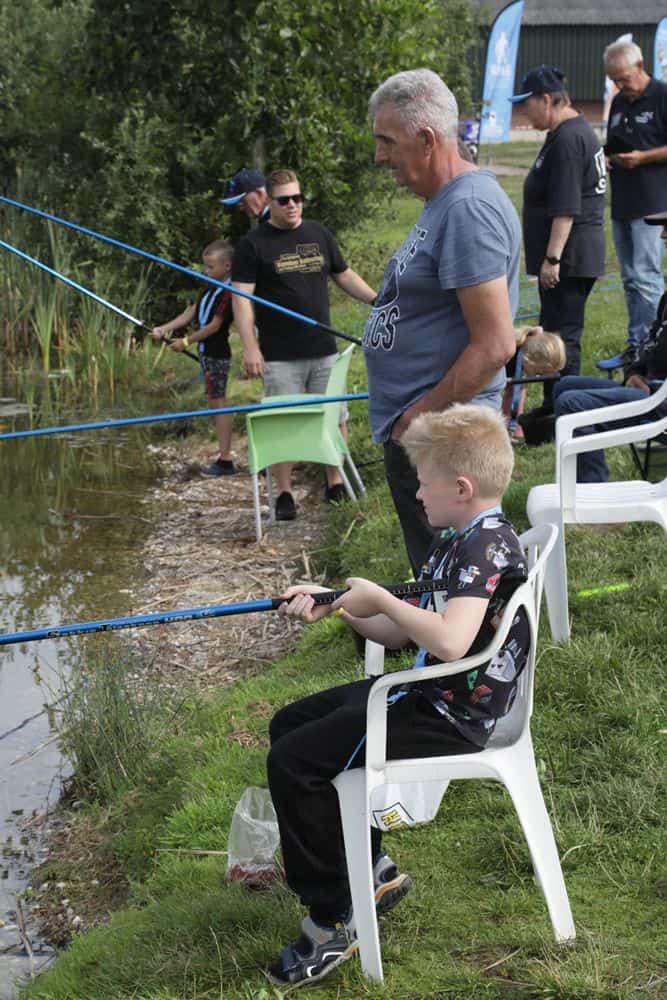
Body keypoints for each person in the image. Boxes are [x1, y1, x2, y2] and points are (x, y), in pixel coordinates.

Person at [266, 404, 527, 988]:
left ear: (460, 487)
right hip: (425, 693)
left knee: (293, 762)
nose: (415, 492)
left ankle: (332, 917)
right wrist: (339, 606)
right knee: (289, 725)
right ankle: (371, 868)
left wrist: (382, 598)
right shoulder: (459, 538)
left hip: (448, 713)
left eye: (422, 482)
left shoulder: (484, 547)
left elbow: (454, 642)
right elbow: (399, 629)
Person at [363, 68, 521, 577]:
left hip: (443, 436)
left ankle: (462, 654)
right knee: (437, 572)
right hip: (427, 430)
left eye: (387, 141)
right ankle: (441, 646)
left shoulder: (468, 208)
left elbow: (495, 343)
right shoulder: (443, 203)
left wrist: (419, 418)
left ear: (427, 139)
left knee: (460, 582)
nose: (379, 155)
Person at [232, 168, 376, 520]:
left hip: (323, 347)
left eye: (298, 198)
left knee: (336, 417)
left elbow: (343, 275)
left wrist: (377, 299)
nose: (293, 205)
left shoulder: (318, 233)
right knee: (283, 423)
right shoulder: (253, 244)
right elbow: (241, 299)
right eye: (285, 200)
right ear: (270, 201)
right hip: (280, 355)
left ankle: (335, 481)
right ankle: (284, 493)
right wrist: (250, 347)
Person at [509, 65, 605, 417]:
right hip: (573, 255)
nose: (522, 111)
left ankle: (561, 410)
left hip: (570, 257)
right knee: (558, 331)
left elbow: (566, 207)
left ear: (546, 99)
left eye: (526, 104)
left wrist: (552, 259)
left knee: (562, 338)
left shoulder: (567, 139)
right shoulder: (566, 133)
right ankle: (558, 404)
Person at [553, 211, 667, 483]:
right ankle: (581, 482)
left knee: (573, 404)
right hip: (652, 388)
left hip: (661, 399)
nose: (662, 235)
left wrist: (652, 382)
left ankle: (592, 489)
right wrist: (634, 373)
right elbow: (650, 342)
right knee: (564, 386)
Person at [151, 240, 250, 477]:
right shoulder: (209, 288)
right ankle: (224, 456)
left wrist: (185, 342)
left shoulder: (230, 292)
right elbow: (191, 312)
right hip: (206, 353)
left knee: (218, 404)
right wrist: (164, 328)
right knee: (214, 402)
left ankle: (226, 460)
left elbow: (215, 326)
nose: (206, 271)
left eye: (210, 267)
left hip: (217, 353)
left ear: (227, 266)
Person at [604, 40, 667, 347]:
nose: (619, 85)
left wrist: (643, 158)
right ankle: (636, 341)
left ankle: (653, 344)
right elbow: (613, 140)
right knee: (629, 279)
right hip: (622, 202)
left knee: (646, 276)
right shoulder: (618, 103)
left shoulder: (662, 96)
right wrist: (608, 158)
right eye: (614, 79)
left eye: (623, 78)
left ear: (640, 67)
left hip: (653, 205)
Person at [502, 326, 566, 441]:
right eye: (540, 372)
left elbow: (518, 389)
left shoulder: (523, 355)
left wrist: (515, 426)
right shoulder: (506, 357)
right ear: (527, 360)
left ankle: (511, 428)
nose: (540, 377)